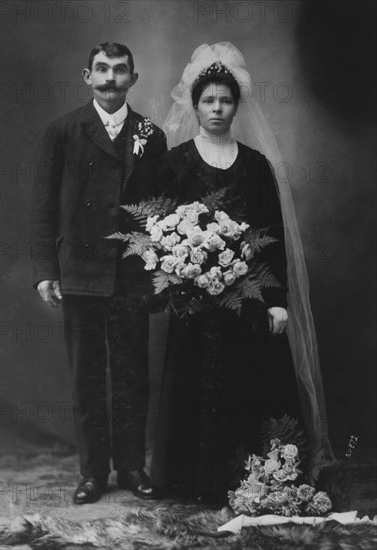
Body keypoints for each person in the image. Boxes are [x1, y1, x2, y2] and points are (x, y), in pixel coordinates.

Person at [150, 43, 333, 504]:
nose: (216, 108)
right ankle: (188, 481)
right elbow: (157, 231)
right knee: (193, 387)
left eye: (225, 100)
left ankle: (248, 479)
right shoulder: (174, 163)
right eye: (208, 100)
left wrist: (277, 301)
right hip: (193, 302)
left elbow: (271, 238)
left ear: (237, 105)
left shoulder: (255, 165)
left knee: (247, 387)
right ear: (194, 105)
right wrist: (179, 268)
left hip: (246, 302)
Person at [30, 42, 167, 504]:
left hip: (131, 276)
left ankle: (131, 467)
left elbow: (161, 212)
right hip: (81, 273)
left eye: (120, 71)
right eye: (102, 70)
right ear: (86, 75)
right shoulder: (63, 130)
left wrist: (158, 269)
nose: (110, 79)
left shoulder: (151, 134)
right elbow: (43, 207)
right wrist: (46, 270)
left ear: (134, 78)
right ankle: (92, 473)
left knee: (131, 376)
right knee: (86, 377)